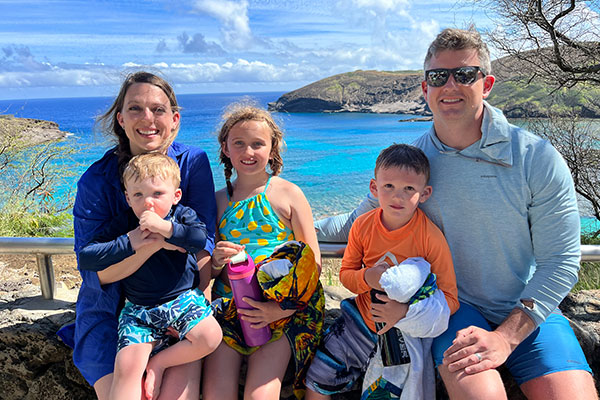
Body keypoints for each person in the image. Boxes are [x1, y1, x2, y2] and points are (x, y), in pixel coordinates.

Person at [315, 28, 597, 399]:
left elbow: (560, 260)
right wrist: (288, 223)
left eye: (465, 75)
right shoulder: (413, 166)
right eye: (438, 76)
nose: (450, 85)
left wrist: (506, 336)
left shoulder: (535, 158)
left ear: (488, 83)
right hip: (453, 310)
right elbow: (357, 223)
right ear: (424, 88)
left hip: (528, 309)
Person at [57, 71, 218, 400]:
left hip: (180, 299)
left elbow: (202, 243)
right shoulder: (96, 181)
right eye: (135, 108)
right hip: (111, 308)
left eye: (158, 109)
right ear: (120, 118)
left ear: (174, 119)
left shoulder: (191, 163)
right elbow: (94, 269)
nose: (148, 119)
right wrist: (147, 245)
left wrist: (195, 303)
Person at [305, 143, 459, 400]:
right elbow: (346, 275)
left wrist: (405, 313)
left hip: (403, 336)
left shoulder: (431, 237)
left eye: (409, 188)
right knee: (319, 376)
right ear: (374, 188)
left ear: (425, 193)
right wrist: (367, 277)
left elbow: (450, 298)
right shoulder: (363, 226)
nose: (398, 196)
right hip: (359, 324)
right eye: (389, 186)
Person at [201, 103, 325, 400]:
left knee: (260, 394)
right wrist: (217, 261)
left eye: (258, 144)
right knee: (216, 392)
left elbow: (313, 262)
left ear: (272, 149)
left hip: (279, 312)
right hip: (229, 309)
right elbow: (209, 268)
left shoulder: (289, 194)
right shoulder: (217, 201)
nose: (249, 152)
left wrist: (278, 310)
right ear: (225, 149)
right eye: (239, 143)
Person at [77, 153, 222, 400]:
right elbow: (87, 257)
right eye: (138, 195)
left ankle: (160, 362)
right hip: (138, 310)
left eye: (157, 194)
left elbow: (199, 239)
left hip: (182, 301)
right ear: (127, 198)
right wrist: (131, 242)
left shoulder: (182, 216)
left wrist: (165, 230)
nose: (148, 203)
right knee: (126, 366)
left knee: (210, 337)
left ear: (176, 196)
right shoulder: (125, 224)